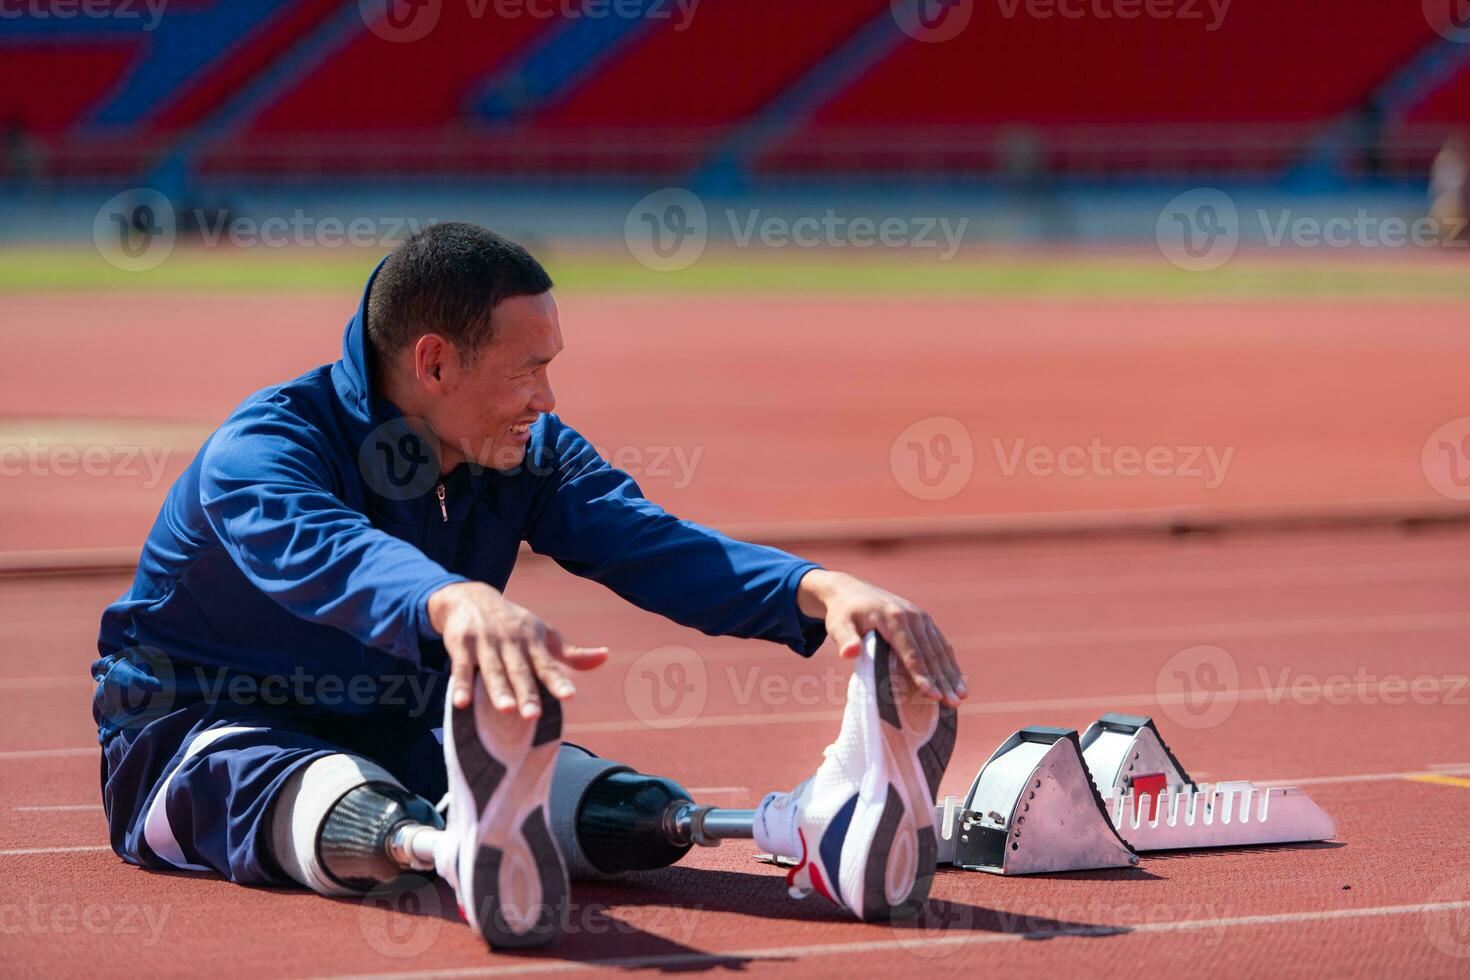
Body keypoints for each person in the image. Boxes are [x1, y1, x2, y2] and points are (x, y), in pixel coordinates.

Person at [92, 222, 964, 948]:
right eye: (527, 369)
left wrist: (817, 589)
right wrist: (451, 599)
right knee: (329, 788)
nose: (548, 397)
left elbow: (647, 542)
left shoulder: (522, 451)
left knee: (615, 808)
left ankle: (809, 829)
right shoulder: (264, 451)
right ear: (434, 364)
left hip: (412, 732)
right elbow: (327, 553)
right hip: (194, 734)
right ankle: (447, 845)